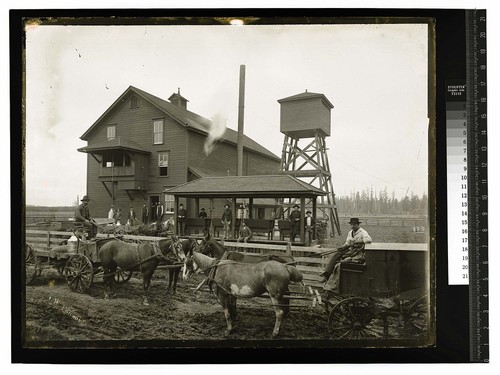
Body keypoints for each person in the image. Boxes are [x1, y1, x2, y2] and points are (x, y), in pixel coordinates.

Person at [320, 218, 372, 295]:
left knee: (340, 263)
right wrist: (342, 247)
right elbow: (347, 243)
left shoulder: (363, 232)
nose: (353, 226)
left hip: (358, 252)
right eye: (351, 224)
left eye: (354, 224)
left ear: (358, 224)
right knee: (337, 254)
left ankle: (331, 282)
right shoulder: (350, 232)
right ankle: (327, 274)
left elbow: (369, 240)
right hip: (350, 250)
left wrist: (356, 241)